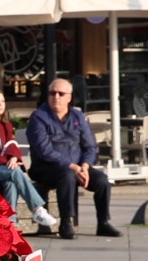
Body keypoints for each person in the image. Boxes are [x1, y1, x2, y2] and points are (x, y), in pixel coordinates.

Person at [27, 78, 122, 240]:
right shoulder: (38, 117)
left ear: (69, 97)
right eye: (52, 93)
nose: (56, 96)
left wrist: (84, 166)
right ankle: (66, 222)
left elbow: (90, 146)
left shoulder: (78, 116)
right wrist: (73, 167)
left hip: (78, 167)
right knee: (67, 175)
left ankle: (103, 223)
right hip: (46, 168)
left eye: (60, 93)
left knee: (103, 181)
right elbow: (45, 151)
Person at [0, 89, 57, 230]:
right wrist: (7, 162)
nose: (1, 104)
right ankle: (37, 209)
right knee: (14, 171)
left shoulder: (5, 125)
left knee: (10, 182)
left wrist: (13, 157)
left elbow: (12, 144)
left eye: (3, 101)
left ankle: (10, 224)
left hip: (2, 170)